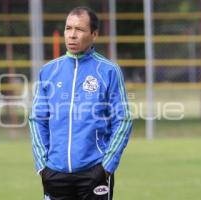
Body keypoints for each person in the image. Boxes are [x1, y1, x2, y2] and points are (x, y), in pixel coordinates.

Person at [29, 6, 132, 200]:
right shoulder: (48, 71)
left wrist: (107, 166)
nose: (72, 35)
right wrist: (42, 166)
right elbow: (37, 119)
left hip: (95, 172)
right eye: (68, 28)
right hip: (54, 172)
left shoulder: (109, 71)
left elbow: (123, 120)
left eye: (80, 30)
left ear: (94, 34)